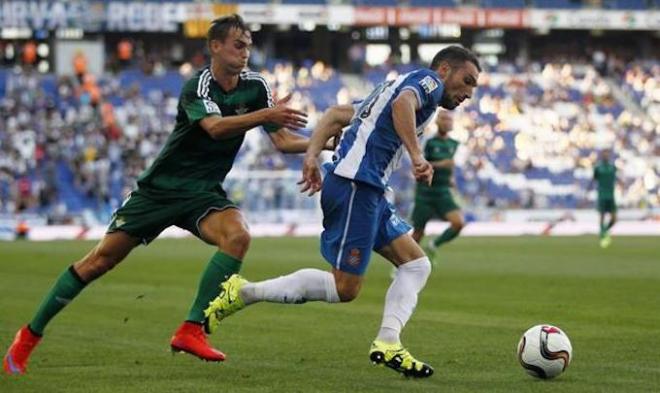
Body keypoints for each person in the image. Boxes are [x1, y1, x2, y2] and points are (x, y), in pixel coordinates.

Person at [3, 14, 319, 375]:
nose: (245, 52)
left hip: (202, 194)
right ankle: (28, 337)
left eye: (248, 45)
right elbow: (214, 128)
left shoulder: (256, 87)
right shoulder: (197, 86)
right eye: (238, 44)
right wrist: (265, 114)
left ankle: (190, 330)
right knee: (98, 262)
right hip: (159, 191)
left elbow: (281, 142)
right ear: (215, 46)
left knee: (238, 236)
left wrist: (321, 144)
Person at [203, 46, 481, 378]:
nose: (468, 93)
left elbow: (336, 114)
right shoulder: (427, 83)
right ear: (446, 70)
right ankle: (244, 292)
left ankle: (388, 341)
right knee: (344, 288)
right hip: (355, 185)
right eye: (467, 81)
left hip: (368, 190)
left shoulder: (395, 87)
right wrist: (417, 155)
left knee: (416, 264)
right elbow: (403, 104)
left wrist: (311, 156)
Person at [409, 111, 464, 262]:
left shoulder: (454, 144)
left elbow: (451, 166)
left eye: (449, 119)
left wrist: (451, 178)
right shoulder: (428, 142)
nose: (447, 122)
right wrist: (441, 164)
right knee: (418, 233)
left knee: (458, 223)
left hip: (443, 192)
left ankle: (433, 245)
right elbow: (418, 165)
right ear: (437, 122)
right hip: (425, 193)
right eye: (444, 119)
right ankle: (402, 263)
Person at [589, 150, 617, 248]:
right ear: (602, 156)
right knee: (602, 216)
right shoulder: (598, 168)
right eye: (604, 154)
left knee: (614, 218)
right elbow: (594, 179)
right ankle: (602, 236)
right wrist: (589, 190)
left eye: (607, 154)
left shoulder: (613, 167)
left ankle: (604, 231)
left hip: (611, 195)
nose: (606, 156)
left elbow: (615, 179)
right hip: (602, 195)